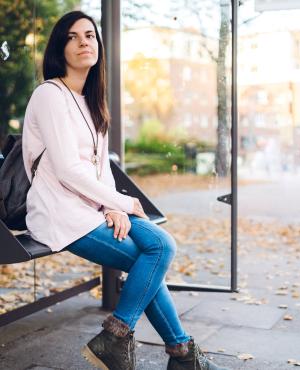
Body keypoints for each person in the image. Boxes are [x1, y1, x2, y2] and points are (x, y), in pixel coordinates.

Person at [22, 11, 229, 370]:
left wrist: (112, 209)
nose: (84, 41)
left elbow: (99, 170)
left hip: (90, 210)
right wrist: (120, 201)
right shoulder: (49, 95)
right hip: (59, 213)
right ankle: (169, 351)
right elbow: (68, 169)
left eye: (89, 35)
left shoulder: (92, 102)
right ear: (60, 48)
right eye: (72, 37)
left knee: (155, 250)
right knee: (155, 253)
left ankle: (138, 343)